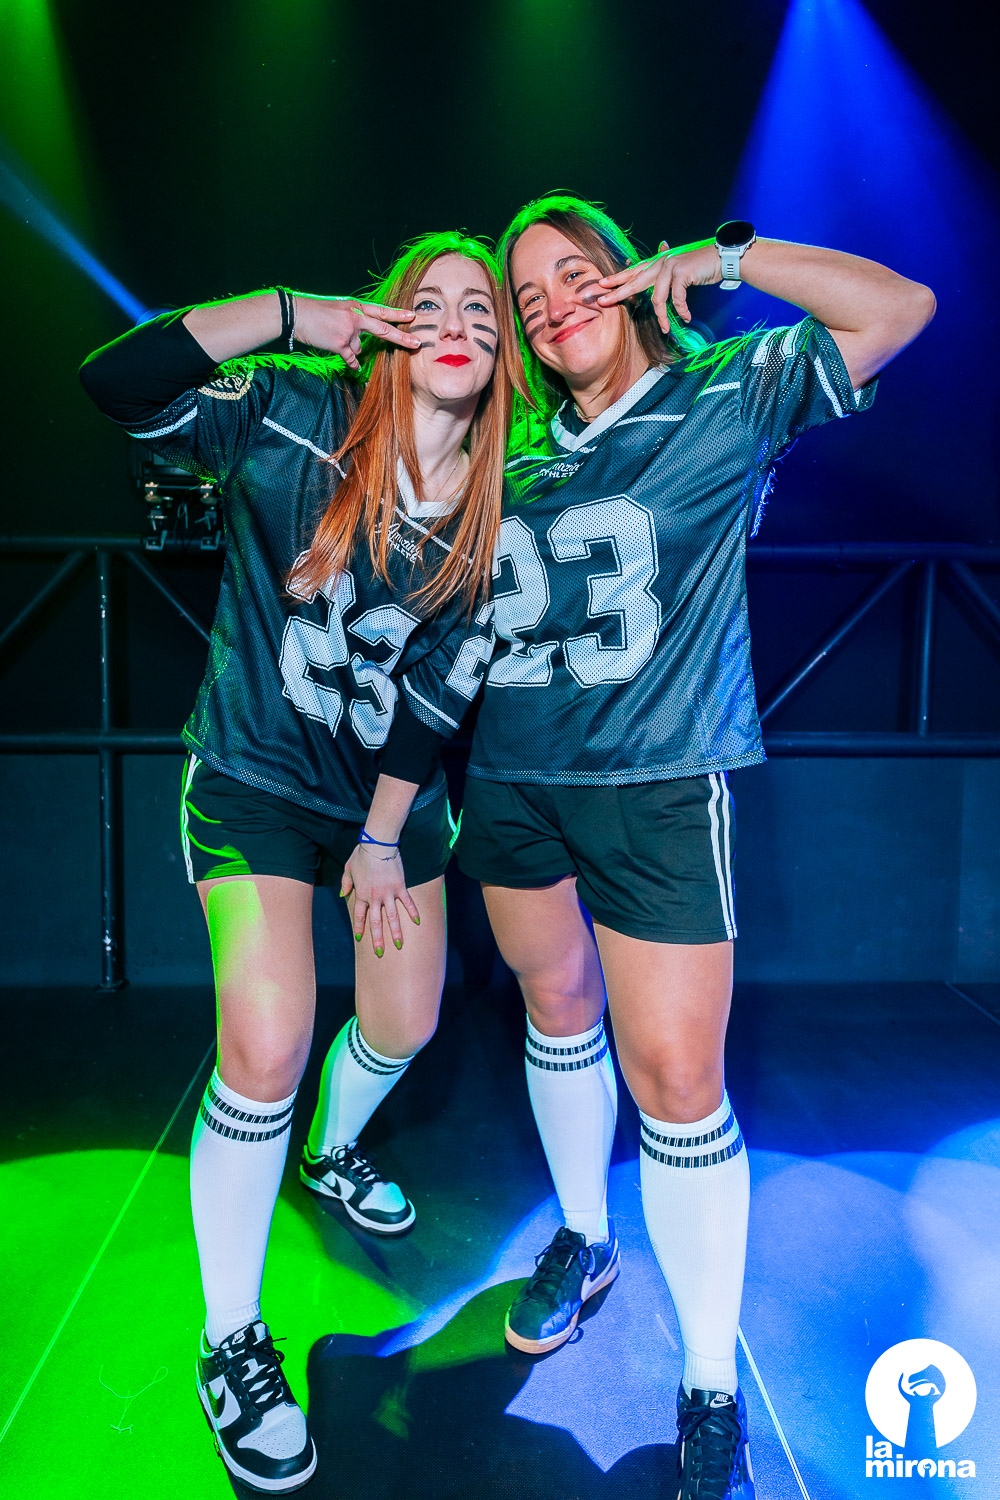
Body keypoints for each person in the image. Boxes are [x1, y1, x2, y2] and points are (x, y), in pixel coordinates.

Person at [449, 196, 935, 1500]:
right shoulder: (512, 450)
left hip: (660, 788)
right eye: (528, 295)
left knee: (675, 1079)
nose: (551, 304)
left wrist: (722, 260)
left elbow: (898, 309)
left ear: (623, 277)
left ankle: (710, 1381)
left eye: (574, 274)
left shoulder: (724, 393)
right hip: (514, 784)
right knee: (555, 1009)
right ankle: (585, 1239)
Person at [79, 231, 512, 1494]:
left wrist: (380, 836)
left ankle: (335, 1147)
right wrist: (282, 312)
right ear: (386, 327)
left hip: (386, 794)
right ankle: (231, 1340)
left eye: (480, 309)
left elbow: (437, 699)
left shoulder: (500, 503)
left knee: (404, 1021)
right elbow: (117, 384)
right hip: (257, 774)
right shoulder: (293, 414)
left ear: (501, 355)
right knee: (264, 1044)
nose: (456, 320)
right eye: (429, 302)